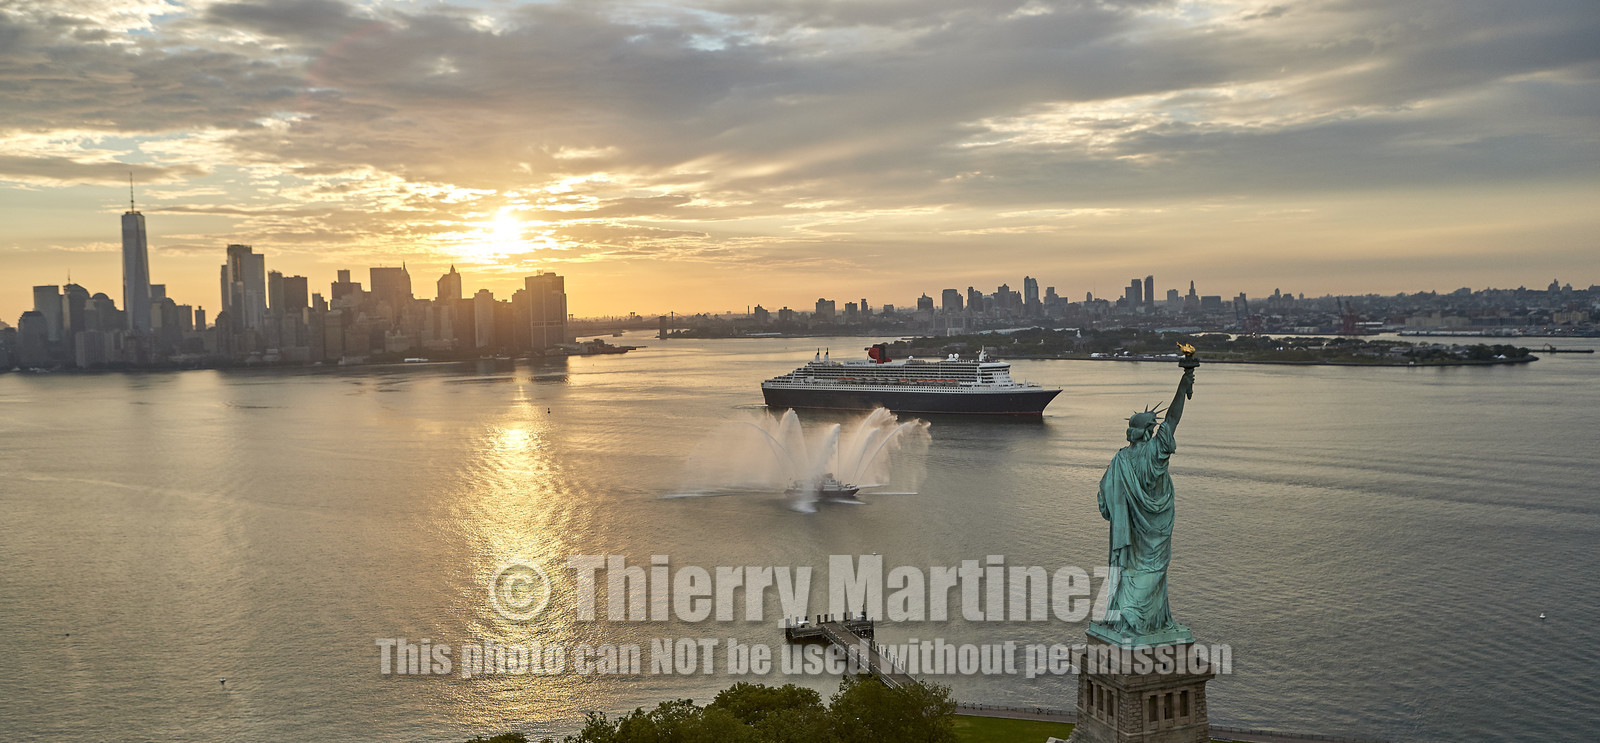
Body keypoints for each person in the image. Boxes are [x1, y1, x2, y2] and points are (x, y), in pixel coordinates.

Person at [1094, 365, 1195, 640]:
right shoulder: (1154, 452)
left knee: (1130, 567)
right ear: (1149, 431)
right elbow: (1172, 419)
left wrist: (1119, 510)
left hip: (1130, 529)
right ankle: (1137, 619)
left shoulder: (1120, 460)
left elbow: (1104, 498)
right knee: (1153, 569)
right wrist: (1182, 386)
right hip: (1157, 525)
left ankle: (1128, 615)